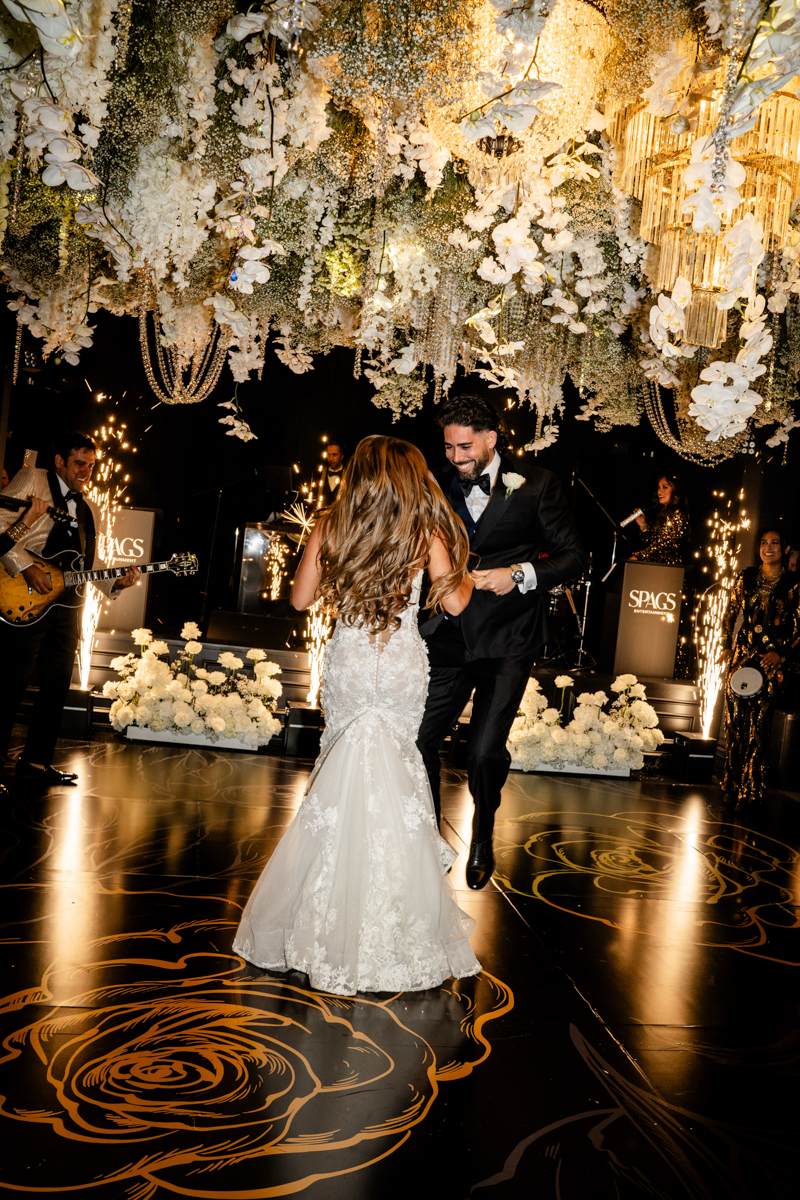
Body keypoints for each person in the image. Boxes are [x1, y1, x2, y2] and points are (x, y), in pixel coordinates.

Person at [233, 435, 480, 996]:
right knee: (395, 774)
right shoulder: (425, 528)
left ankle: (322, 921)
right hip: (398, 662)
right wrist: (470, 575)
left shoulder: (332, 522)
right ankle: (389, 923)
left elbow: (298, 601)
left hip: (349, 657)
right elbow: (458, 604)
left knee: (341, 781)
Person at [416, 394, 586, 890]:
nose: (454, 456)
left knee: (484, 754)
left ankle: (483, 832)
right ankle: (427, 838)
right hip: (448, 637)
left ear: (492, 439)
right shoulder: (439, 485)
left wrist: (521, 574)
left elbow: (576, 556)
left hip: (510, 639)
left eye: (464, 446)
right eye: (448, 447)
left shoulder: (537, 485)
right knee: (419, 741)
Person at [0, 433, 140, 794]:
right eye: (80, 463)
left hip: (67, 608)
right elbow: (0, 525)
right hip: (21, 594)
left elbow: (86, 564)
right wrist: (25, 566)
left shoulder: (88, 508)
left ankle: (35, 762)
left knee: (56, 685)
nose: (86, 472)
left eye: (92, 465)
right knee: (10, 683)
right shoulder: (34, 479)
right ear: (60, 460)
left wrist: (118, 582)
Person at [719, 527, 800, 809]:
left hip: (771, 664)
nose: (769, 547)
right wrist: (726, 646)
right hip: (742, 658)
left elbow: (799, 629)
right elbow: (729, 612)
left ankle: (751, 790)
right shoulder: (746, 577)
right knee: (734, 725)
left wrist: (781, 653)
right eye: (764, 543)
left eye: (775, 543)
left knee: (758, 727)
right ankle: (730, 783)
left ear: (785, 549)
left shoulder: (794, 584)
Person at [632, 473, 690, 565]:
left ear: (675, 490)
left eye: (665, 487)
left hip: (669, 570)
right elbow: (653, 544)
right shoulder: (662, 515)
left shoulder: (679, 515)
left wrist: (638, 557)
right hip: (657, 569)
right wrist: (643, 525)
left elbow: (662, 548)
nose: (660, 491)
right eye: (659, 487)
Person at [318, 440, 346, 505]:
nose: (330, 458)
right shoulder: (319, 474)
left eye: (334, 455)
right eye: (328, 455)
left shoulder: (349, 474)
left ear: (341, 456)